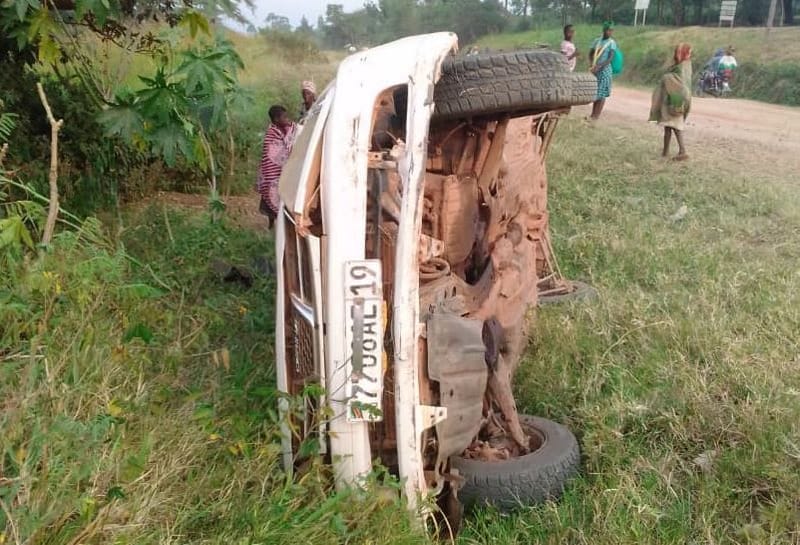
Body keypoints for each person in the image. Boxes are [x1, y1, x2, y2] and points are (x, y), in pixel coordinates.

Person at [649, 43, 693, 161]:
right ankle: (666, 152)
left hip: (675, 100)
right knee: (669, 126)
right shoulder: (685, 66)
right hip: (677, 99)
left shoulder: (681, 67)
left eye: (677, 52)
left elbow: (677, 82)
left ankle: (682, 151)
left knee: (674, 126)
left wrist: (666, 77)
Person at [258, 105, 296, 228]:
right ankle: (271, 223)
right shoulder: (271, 134)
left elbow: (292, 141)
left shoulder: (289, 129)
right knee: (271, 193)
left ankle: (283, 222)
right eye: (284, 117)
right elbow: (271, 154)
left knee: (283, 195)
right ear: (276, 119)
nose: (287, 119)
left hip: (285, 170)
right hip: (271, 172)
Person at [588, 21, 618, 120]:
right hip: (595, 70)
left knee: (602, 94)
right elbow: (591, 53)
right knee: (596, 93)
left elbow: (610, 58)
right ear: (604, 30)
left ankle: (596, 116)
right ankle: (593, 115)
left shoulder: (612, 43)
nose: (610, 32)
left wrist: (600, 66)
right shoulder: (597, 41)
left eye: (611, 30)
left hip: (605, 70)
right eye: (608, 30)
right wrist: (592, 64)